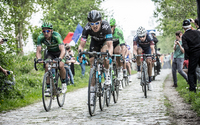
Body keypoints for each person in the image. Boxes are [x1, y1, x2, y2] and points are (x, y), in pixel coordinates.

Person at [78, 10, 113, 104]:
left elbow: (110, 45)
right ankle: (92, 94)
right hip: (95, 43)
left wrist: (109, 55)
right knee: (92, 65)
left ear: (101, 21)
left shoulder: (106, 26)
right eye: (92, 23)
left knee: (104, 52)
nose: (94, 26)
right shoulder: (86, 28)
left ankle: (107, 73)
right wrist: (80, 54)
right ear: (89, 23)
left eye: (97, 23)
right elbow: (81, 45)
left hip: (105, 42)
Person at [36, 22, 67, 94]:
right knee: (47, 65)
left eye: (48, 31)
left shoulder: (56, 36)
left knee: (61, 65)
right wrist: (39, 59)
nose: (46, 33)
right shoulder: (40, 37)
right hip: (50, 53)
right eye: (44, 31)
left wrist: (60, 58)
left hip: (60, 52)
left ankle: (64, 83)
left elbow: (62, 49)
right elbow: (38, 50)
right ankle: (48, 88)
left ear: (51, 31)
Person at [132, 26, 155, 91]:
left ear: (145, 34)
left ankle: (150, 81)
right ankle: (139, 70)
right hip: (140, 48)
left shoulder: (149, 36)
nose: (141, 38)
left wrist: (153, 56)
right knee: (138, 51)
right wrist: (135, 57)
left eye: (143, 36)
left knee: (149, 62)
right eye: (140, 37)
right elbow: (134, 49)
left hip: (148, 49)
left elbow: (152, 48)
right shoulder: (135, 37)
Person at [182, 19, 200, 93]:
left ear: (183, 28)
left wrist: (189, 55)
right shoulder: (197, 32)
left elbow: (186, 48)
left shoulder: (184, 36)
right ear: (190, 26)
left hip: (193, 54)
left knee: (191, 72)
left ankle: (193, 89)